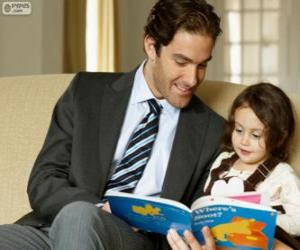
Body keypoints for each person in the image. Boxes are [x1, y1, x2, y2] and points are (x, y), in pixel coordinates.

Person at [0, 0, 225, 249]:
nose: (192, 79)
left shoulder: (212, 131)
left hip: (133, 240)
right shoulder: (86, 92)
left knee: (80, 217)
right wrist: (100, 210)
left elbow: (200, 216)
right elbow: (44, 180)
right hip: (52, 228)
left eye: (202, 65)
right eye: (181, 62)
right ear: (151, 47)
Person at [167, 83, 300, 250]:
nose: (244, 141)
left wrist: (266, 220)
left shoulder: (282, 174)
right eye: (238, 130)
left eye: (255, 135)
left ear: (279, 137)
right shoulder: (222, 162)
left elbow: (298, 222)